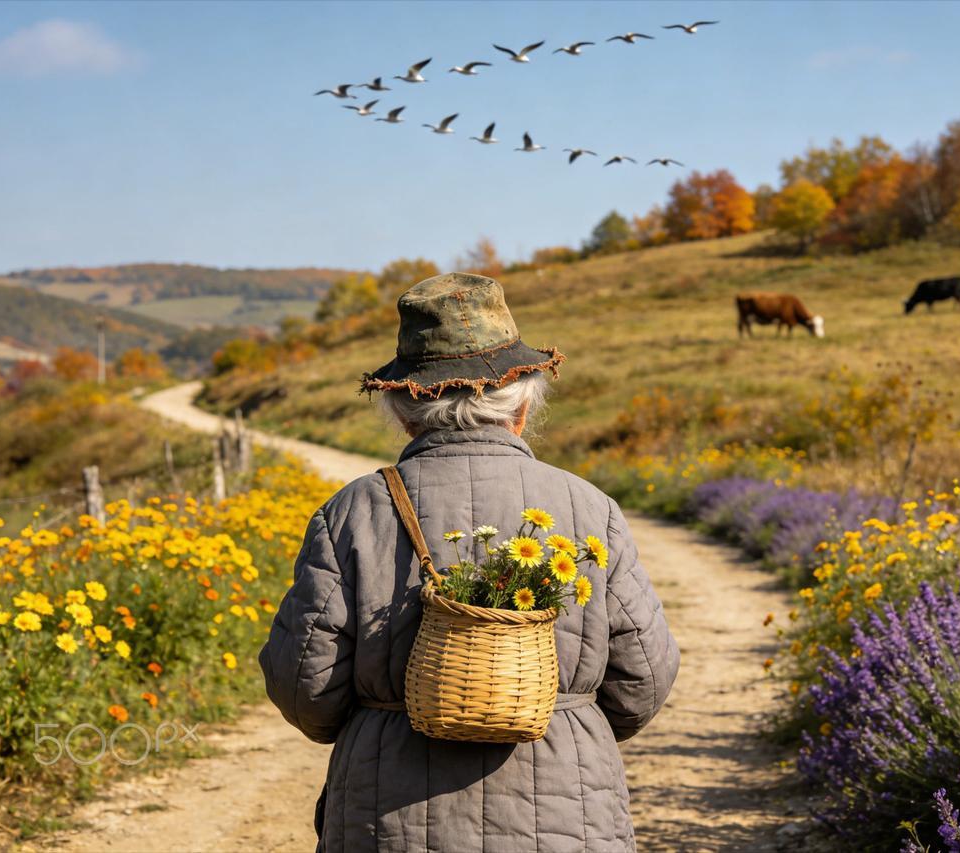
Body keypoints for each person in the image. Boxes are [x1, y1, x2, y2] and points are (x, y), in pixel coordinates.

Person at [259, 272, 680, 852]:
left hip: (388, 815)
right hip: (567, 807)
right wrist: (553, 716)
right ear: (523, 404)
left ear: (403, 409)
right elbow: (643, 682)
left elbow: (307, 688)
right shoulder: (590, 508)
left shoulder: (353, 510)